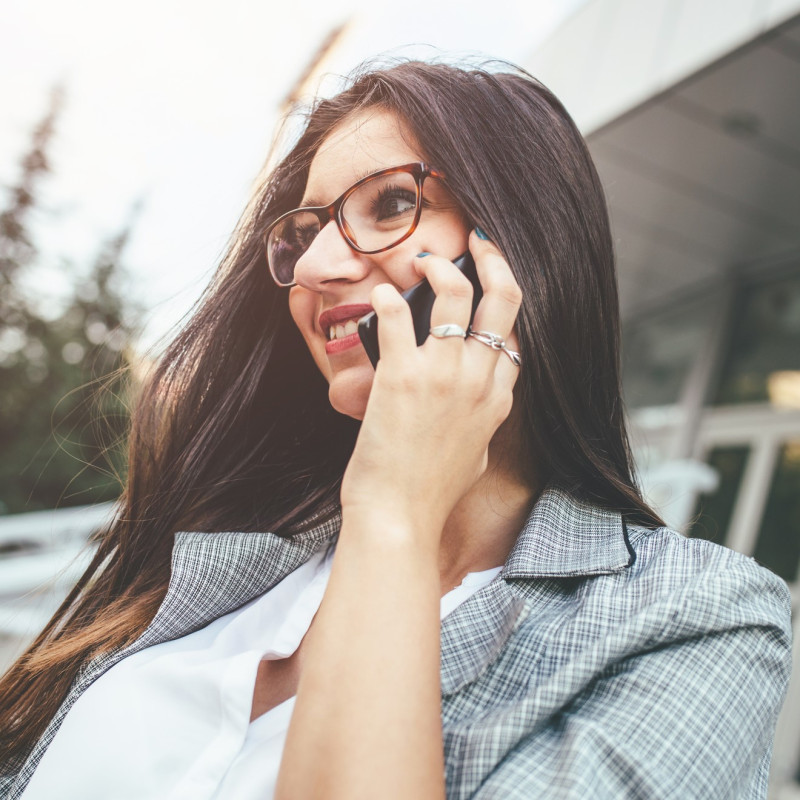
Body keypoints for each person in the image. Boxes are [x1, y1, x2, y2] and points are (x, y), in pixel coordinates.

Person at [0, 60, 792, 800]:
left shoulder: (699, 618)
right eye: (306, 231)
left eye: (391, 203)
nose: (313, 268)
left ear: (521, 249)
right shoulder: (233, 545)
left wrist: (397, 508)